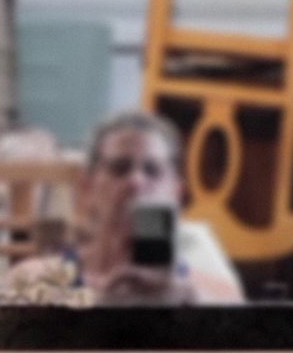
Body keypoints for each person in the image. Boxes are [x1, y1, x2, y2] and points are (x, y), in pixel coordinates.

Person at [74, 110, 247, 305]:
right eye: (120, 168)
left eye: (153, 170)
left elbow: (231, 310)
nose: (136, 181)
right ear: (87, 188)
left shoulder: (203, 280)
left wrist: (190, 301)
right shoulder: (47, 276)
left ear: (176, 193)